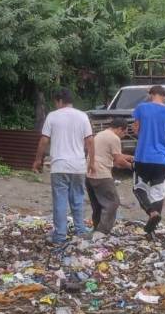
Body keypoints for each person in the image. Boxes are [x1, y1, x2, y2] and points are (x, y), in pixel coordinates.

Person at [32, 88, 94, 245]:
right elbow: (90, 141)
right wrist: (91, 161)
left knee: (60, 201)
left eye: (56, 102)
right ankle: (80, 231)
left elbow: (44, 140)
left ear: (59, 101)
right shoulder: (82, 116)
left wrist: (38, 159)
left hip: (59, 166)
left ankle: (60, 235)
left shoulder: (53, 116)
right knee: (78, 199)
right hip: (78, 166)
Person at [132, 85, 165, 239]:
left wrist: (140, 131)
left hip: (143, 157)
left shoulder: (141, 108)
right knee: (158, 193)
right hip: (162, 160)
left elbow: (136, 129)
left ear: (150, 94)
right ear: (164, 96)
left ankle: (152, 213)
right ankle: (152, 229)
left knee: (139, 188)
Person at [87, 117, 133, 236]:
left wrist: (131, 157)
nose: (124, 135)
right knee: (113, 202)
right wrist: (132, 166)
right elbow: (119, 161)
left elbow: (115, 154)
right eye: (124, 132)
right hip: (101, 174)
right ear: (119, 129)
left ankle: (96, 228)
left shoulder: (101, 134)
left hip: (89, 173)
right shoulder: (114, 138)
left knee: (98, 203)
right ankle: (102, 231)